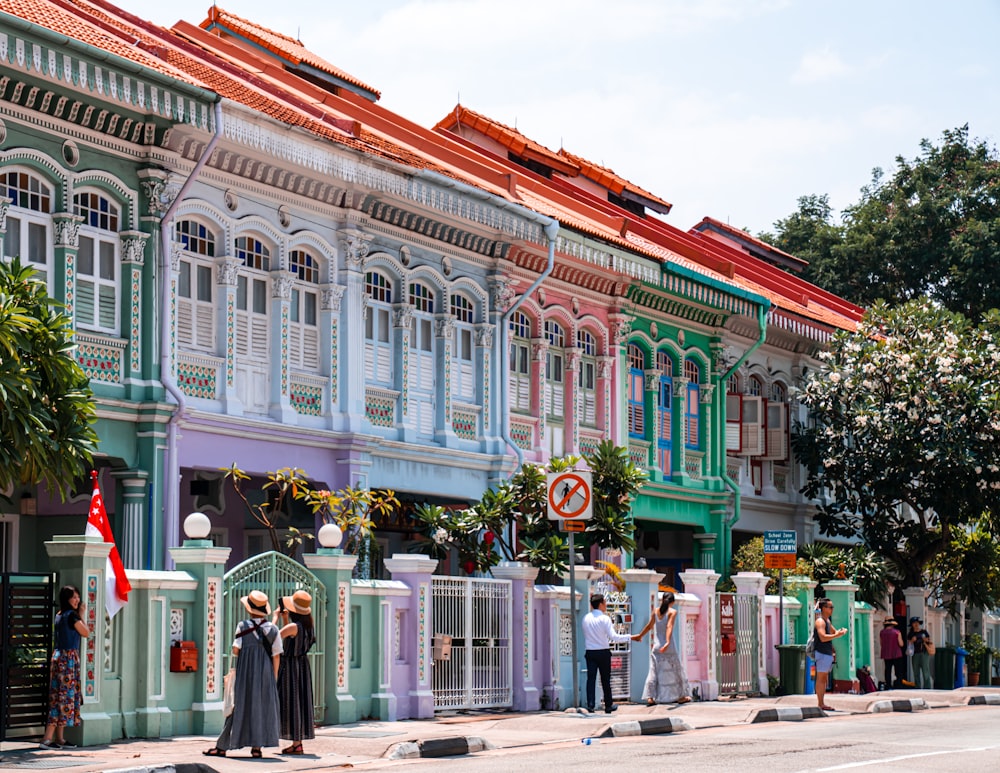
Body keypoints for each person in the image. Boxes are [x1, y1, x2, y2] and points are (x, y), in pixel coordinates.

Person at [204, 590, 283, 759]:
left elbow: (235, 650)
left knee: (237, 707)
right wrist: (274, 676)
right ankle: (257, 748)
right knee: (261, 707)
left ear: (249, 609)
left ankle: (222, 746)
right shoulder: (274, 629)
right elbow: (276, 656)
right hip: (266, 673)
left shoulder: (242, 626)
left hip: (245, 672)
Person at [39, 585, 90, 750]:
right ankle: (47, 739)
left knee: (61, 697)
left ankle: (60, 738)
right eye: (73, 597)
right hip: (67, 661)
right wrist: (82, 614)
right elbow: (86, 632)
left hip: (60, 658)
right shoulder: (72, 617)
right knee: (61, 699)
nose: (77, 600)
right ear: (66, 599)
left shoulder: (59, 615)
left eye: (78, 597)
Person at [274, 590, 316, 755]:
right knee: (299, 702)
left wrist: (276, 617)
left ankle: (295, 742)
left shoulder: (293, 627)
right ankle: (297, 742)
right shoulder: (308, 627)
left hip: (290, 668)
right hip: (302, 667)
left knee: (288, 702)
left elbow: (274, 638)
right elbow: (291, 637)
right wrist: (285, 619)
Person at [632, 591, 692, 705]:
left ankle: (650, 697)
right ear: (673, 602)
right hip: (668, 646)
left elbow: (649, 626)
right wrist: (668, 641)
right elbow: (669, 626)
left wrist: (640, 635)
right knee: (676, 671)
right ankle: (681, 696)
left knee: (653, 671)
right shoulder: (672, 612)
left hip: (656, 646)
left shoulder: (656, 611)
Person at [582, 592, 633, 713]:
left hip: (590, 651)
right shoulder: (605, 619)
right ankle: (608, 705)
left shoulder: (586, 618)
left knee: (591, 679)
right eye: (605, 602)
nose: (606, 605)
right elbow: (613, 636)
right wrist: (630, 637)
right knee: (605, 679)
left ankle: (590, 704)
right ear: (600, 604)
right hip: (603, 652)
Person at [813, 598, 847, 711]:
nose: (832, 609)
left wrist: (840, 632)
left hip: (826, 653)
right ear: (823, 608)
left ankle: (821, 703)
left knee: (823, 679)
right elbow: (822, 637)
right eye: (830, 607)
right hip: (822, 652)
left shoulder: (827, 621)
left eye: (832, 607)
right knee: (821, 679)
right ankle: (820, 703)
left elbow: (833, 632)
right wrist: (837, 635)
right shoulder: (820, 621)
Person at [879, 617, 905, 689]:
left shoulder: (882, 632)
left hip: (886, 653)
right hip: (896, 654)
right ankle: (899, 685)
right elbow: (901, 644)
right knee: (898, 671)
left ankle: (888, 685)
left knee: (888, 670)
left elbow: (881, 643)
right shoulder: (897, 632)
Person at [907, 617, 932, 689]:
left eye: (917, 622)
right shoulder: (911, 633)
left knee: (925, 671)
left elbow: (929, 640)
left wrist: (925, 640)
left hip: (924, 653)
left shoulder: (924, 632)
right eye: (914, 623)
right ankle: (917, 687)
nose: (916, 624)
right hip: (915, 654)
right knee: (916, 671)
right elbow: (909, 644)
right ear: (912, 624)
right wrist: (912, 640)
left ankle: (927, 687)